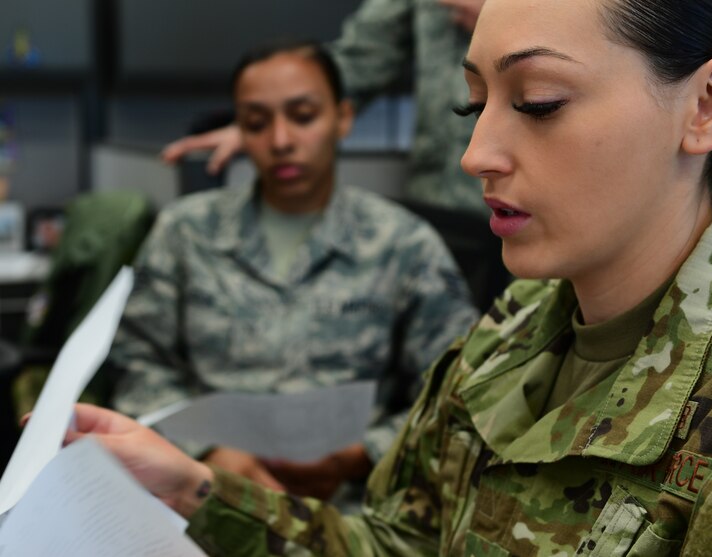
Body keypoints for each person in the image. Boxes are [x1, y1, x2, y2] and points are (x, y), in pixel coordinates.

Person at [66, 0, 712, 554]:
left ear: (709, 103)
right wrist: (194, 489)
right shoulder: (510, 329)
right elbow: (401, 542)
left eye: (538, 102)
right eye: (473, 102)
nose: (476, 153)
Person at [105, 40, 478, 507]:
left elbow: (459, 391)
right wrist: (207, 451)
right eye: (256, 123)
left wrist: (362, 454)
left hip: (353, 507)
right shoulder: (186, 232)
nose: (281, 140)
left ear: (343, 118)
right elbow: (135, 364)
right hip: (203, 496)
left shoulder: (403, 244)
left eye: (303, 116)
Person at [161, 0, 489, 214]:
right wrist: (263, 119)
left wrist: (505, 16)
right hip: (442, 202)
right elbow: (360, 59)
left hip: (513, 194)